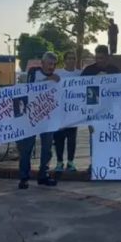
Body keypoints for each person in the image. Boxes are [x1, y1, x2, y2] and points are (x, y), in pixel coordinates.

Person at [17, 52, 61, 190]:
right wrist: (48, 81)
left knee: (47, 150)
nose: (51, 67)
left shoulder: (57, 78)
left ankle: (44, 175)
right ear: (42, 63)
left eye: (54, 65)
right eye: (49, 64)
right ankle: (24, 177)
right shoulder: (33, 72)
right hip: (31, 119)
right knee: (26, 149)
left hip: (48, 120)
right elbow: (31, 89)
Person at [54, 51, 81, 172]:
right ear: (64, 60)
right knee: (58, 140)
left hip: (73, 113)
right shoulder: (57, 73)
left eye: (73, 58)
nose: (71, 60)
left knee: (71, 140)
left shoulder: (80, 74)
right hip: (59, 113)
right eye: (69, 58)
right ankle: (59, 162)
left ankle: (70, 162)